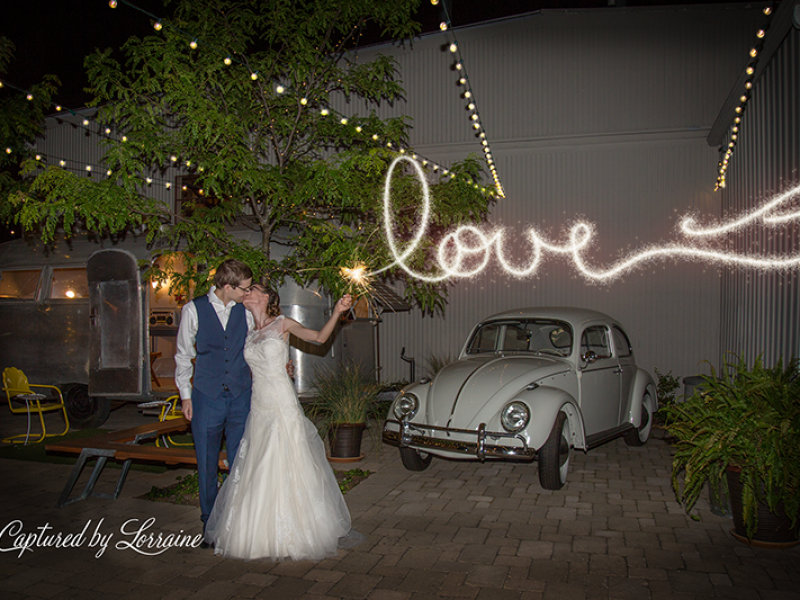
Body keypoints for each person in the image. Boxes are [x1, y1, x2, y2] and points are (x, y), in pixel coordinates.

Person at [204, 283, 357, 561]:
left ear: (267, 298)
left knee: (287, 458)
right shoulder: (249, 331)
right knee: (258, 462)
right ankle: (257, 531)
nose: (246, 292)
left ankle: (294, 529)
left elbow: (319, 338)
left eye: (253, 289)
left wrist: (337, 312)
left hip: (281, 403)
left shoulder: (282, 323)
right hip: (258, 405)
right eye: (245, 289)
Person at [174, 259, 254, 537]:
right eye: (244, 288)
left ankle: (234, 520)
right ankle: (209, 523)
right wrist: (186, 396)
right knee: (206, 461)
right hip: (206, 397)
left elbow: (254, 345)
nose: (248, 292)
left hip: (241, 396)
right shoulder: (193, 309)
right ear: (228, 286)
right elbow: (184, 355)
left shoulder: (245, 311)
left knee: (240, 460)